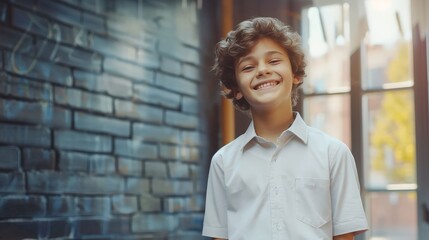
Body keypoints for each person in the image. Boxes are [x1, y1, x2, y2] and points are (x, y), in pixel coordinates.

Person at [202, 17, 368, 240]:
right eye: (248, 67)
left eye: (273, 61)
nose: (262, 70)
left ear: (296, 74)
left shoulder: (333, 154)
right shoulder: (223, 162)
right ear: (236, 88)